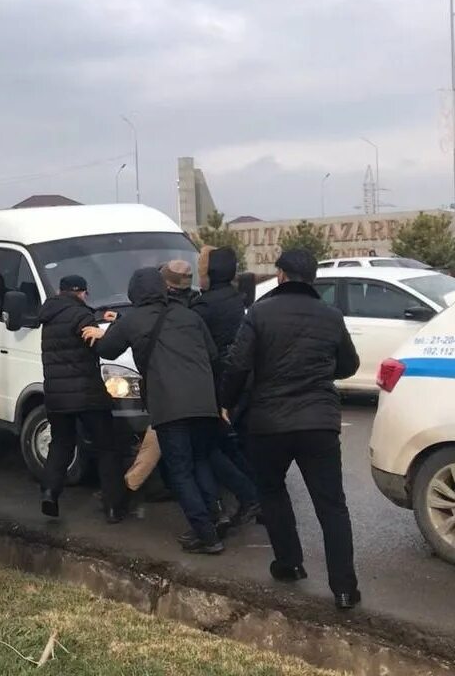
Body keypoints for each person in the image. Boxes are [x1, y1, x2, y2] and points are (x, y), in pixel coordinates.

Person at [220, 249, 361, 609]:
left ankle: (289, 563)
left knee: (272, 491)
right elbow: (349, 364)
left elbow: (238, 364)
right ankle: (344, 589)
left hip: (269, 422)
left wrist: (226, 401)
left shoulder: (259, 314)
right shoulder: (331, 316)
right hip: (319, 423)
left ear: (281, 275)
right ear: (311, 278)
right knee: (332, 505)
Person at [85, 268, 224, 553]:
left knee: (180, 470)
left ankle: (207, 536)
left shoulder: (132, 320)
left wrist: (97, 335)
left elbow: (108, 350)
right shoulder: (190, 315)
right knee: (201, 462)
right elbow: (212, 355)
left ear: (135, 293)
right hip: (205, 402)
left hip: (169, 404)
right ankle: (213, 519)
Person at [37, 275, 128, 523]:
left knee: (61, 444)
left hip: (56, 395)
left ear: (60, 290)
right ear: (83, 293)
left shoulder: (49, 316)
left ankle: (50, 493)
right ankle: (113, 506)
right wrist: (111, 329)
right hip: (88, 394)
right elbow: (102, 348)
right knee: (107, 447)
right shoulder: (82, 315)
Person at [191, 247, 261, 528]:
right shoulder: (238, 299)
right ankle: (258, 498)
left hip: (217, 383)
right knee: (236, 444)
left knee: (210, 447)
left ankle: (247, 497)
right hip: (243, 381)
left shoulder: (203, 306)